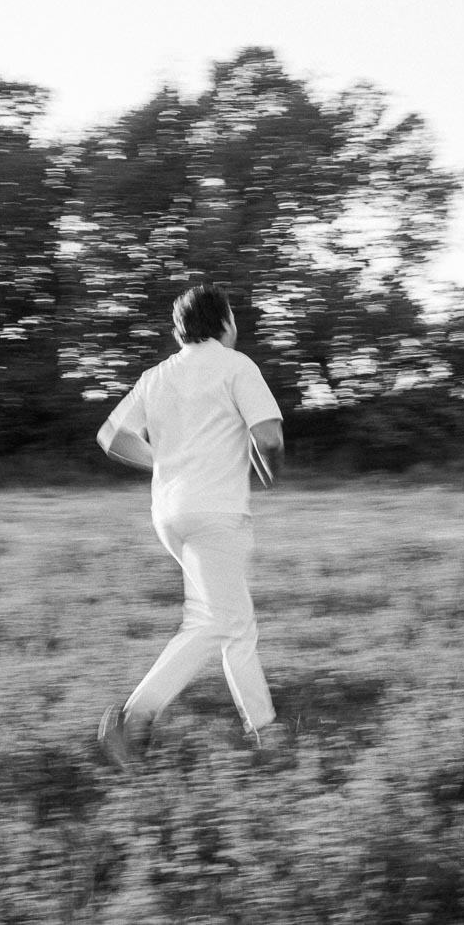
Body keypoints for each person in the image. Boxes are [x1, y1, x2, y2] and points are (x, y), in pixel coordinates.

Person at [96, 284, 285, 769]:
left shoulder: (157, 376)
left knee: (235, 625)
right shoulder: (235, 365)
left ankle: (266, 732)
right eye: (234, 317)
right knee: (213, 621)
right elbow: (269, 435)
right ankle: (136, 715)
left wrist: (162, 461)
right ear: (223, 321)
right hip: (217, 514)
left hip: (171, 514)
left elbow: (111, 435)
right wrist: (270, 467)